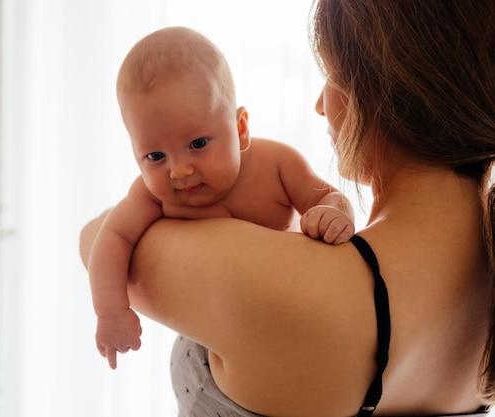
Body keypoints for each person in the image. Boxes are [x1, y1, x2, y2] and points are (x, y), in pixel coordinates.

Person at [81, 0, 495, 416]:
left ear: (379, 94)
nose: (319, 103)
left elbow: (95, 237)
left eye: (332, 76)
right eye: (156, 156)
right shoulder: (485, 293)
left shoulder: (296, 285)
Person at [88, 26, 355, 370]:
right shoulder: (149, 195)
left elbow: (330, 198)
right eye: (155, 156)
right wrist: (110, 310)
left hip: (290, 329)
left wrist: (333, 213)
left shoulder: (277, 165)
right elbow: (111, 237)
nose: (179, 171)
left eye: (198, 144)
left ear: (240, 128)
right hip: (209, 347)